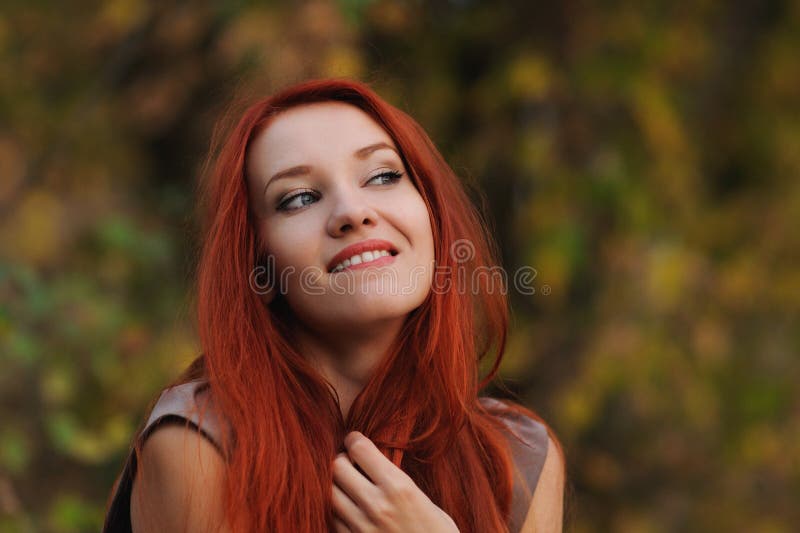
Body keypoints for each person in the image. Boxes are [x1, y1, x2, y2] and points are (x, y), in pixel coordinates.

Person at [102, 78, 566, 532]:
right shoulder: (198, 446)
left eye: (383, 176)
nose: (351, 212)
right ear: (259, 269)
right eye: (299, 198)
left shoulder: (520, 457)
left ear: (433, 221)